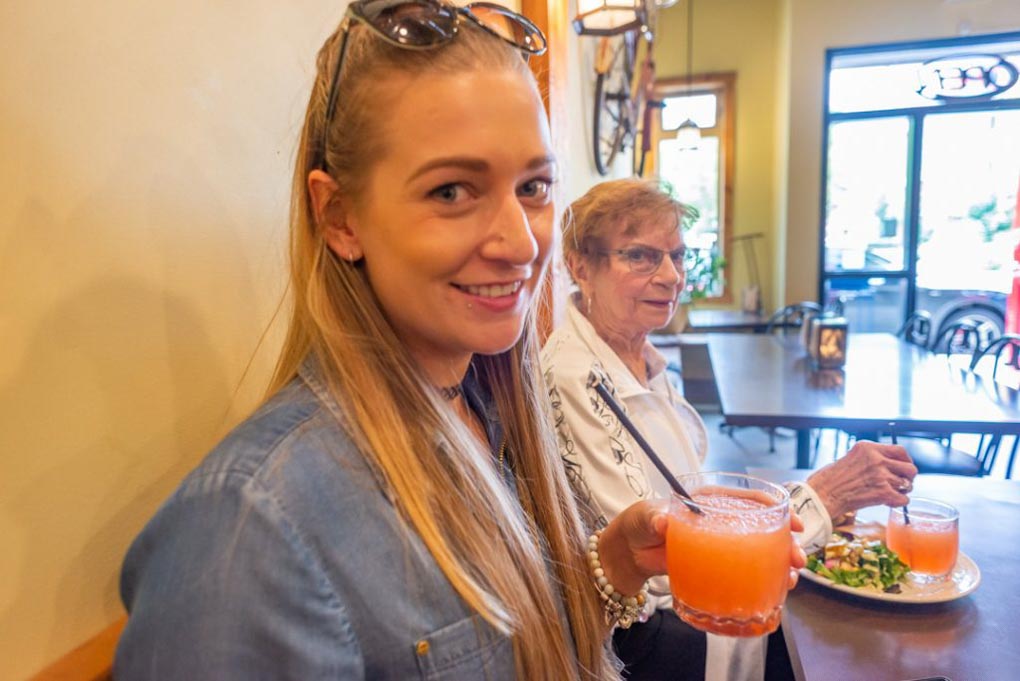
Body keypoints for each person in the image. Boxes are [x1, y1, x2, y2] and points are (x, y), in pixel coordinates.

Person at [113, 5, 688, 679]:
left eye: (531, 186)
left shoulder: (489, 406)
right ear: (340, 217)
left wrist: (614, 560)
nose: (521, 243)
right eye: (451, 190)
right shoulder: (252, 528)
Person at [540, 177, 918, 681]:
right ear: (580, 265)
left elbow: (692, 501)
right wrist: (820, 498)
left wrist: (803, 502)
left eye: (678, 255)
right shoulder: (575, 379)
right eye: (641, 257)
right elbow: (657, 576)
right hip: (651, 649)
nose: (672, 275)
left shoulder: (643, 360)